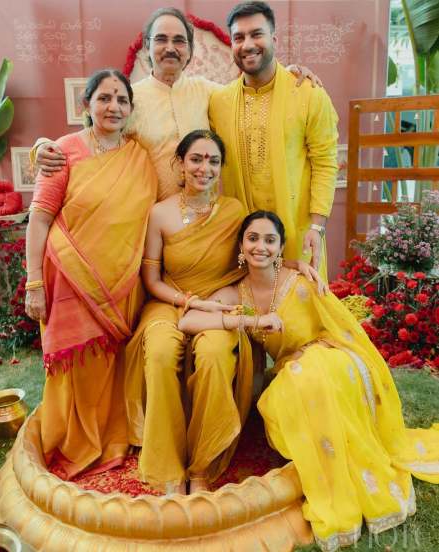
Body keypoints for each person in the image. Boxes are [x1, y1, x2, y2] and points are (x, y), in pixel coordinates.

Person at [179, 210, 439, 551]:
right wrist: (244, 322)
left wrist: (321, 352)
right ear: (241, 246)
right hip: (291, 367)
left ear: (281, 247)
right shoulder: (235, 294)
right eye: (253, 239)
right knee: (287, 391)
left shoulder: (300, 280)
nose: (261, 247)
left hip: (331, 355)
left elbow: (339, 325)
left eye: (270, 240)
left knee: (311, 374)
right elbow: (188, 322)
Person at [124, 129, 324, 495]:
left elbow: (257, 250)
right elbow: (151, 280)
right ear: (180, 164)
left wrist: (295, 264)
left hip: (221, 300)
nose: (205, 168)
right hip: (170, 302)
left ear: (221, 168)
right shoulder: (160, 214)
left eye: (213, 161)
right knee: (160, 353)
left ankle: (204, 462)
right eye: (196, 159)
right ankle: (168, 465)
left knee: (215, 354)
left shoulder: (232, 211)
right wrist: (189, 301)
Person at [33, 8, 322, 202]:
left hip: (204, 219)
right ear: (147, 47)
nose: (170, 48)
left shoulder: (209, 93)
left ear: (190, 51)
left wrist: (288, 73)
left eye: (179, 41)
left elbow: (254, 95)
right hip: (148, 223)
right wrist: (42, 146)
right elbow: (90, 138)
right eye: (161, 40)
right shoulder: (130, 99)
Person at [24, 69, 157, 480]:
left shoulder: (139, 158)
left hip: (121, 285)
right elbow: (39, 220)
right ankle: (74, 444)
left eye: (121, 99)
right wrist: (33, 284)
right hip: (69, 279)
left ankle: (111, 439)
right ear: (87, 105)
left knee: (111, 368)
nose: (113, 107)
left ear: (131, 109)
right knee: (77, 368)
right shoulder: (63, 151)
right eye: (104, 98)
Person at [209, 1, 339, 276]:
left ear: (274, 39)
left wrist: (317, 227)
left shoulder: (308, 94)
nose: (247, 44)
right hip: (243, 239)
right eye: (238, 37)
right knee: (247, 314)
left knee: (297, 313)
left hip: (297, 233)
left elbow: (326, 163)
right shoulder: (218, 101)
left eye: (257, 34)